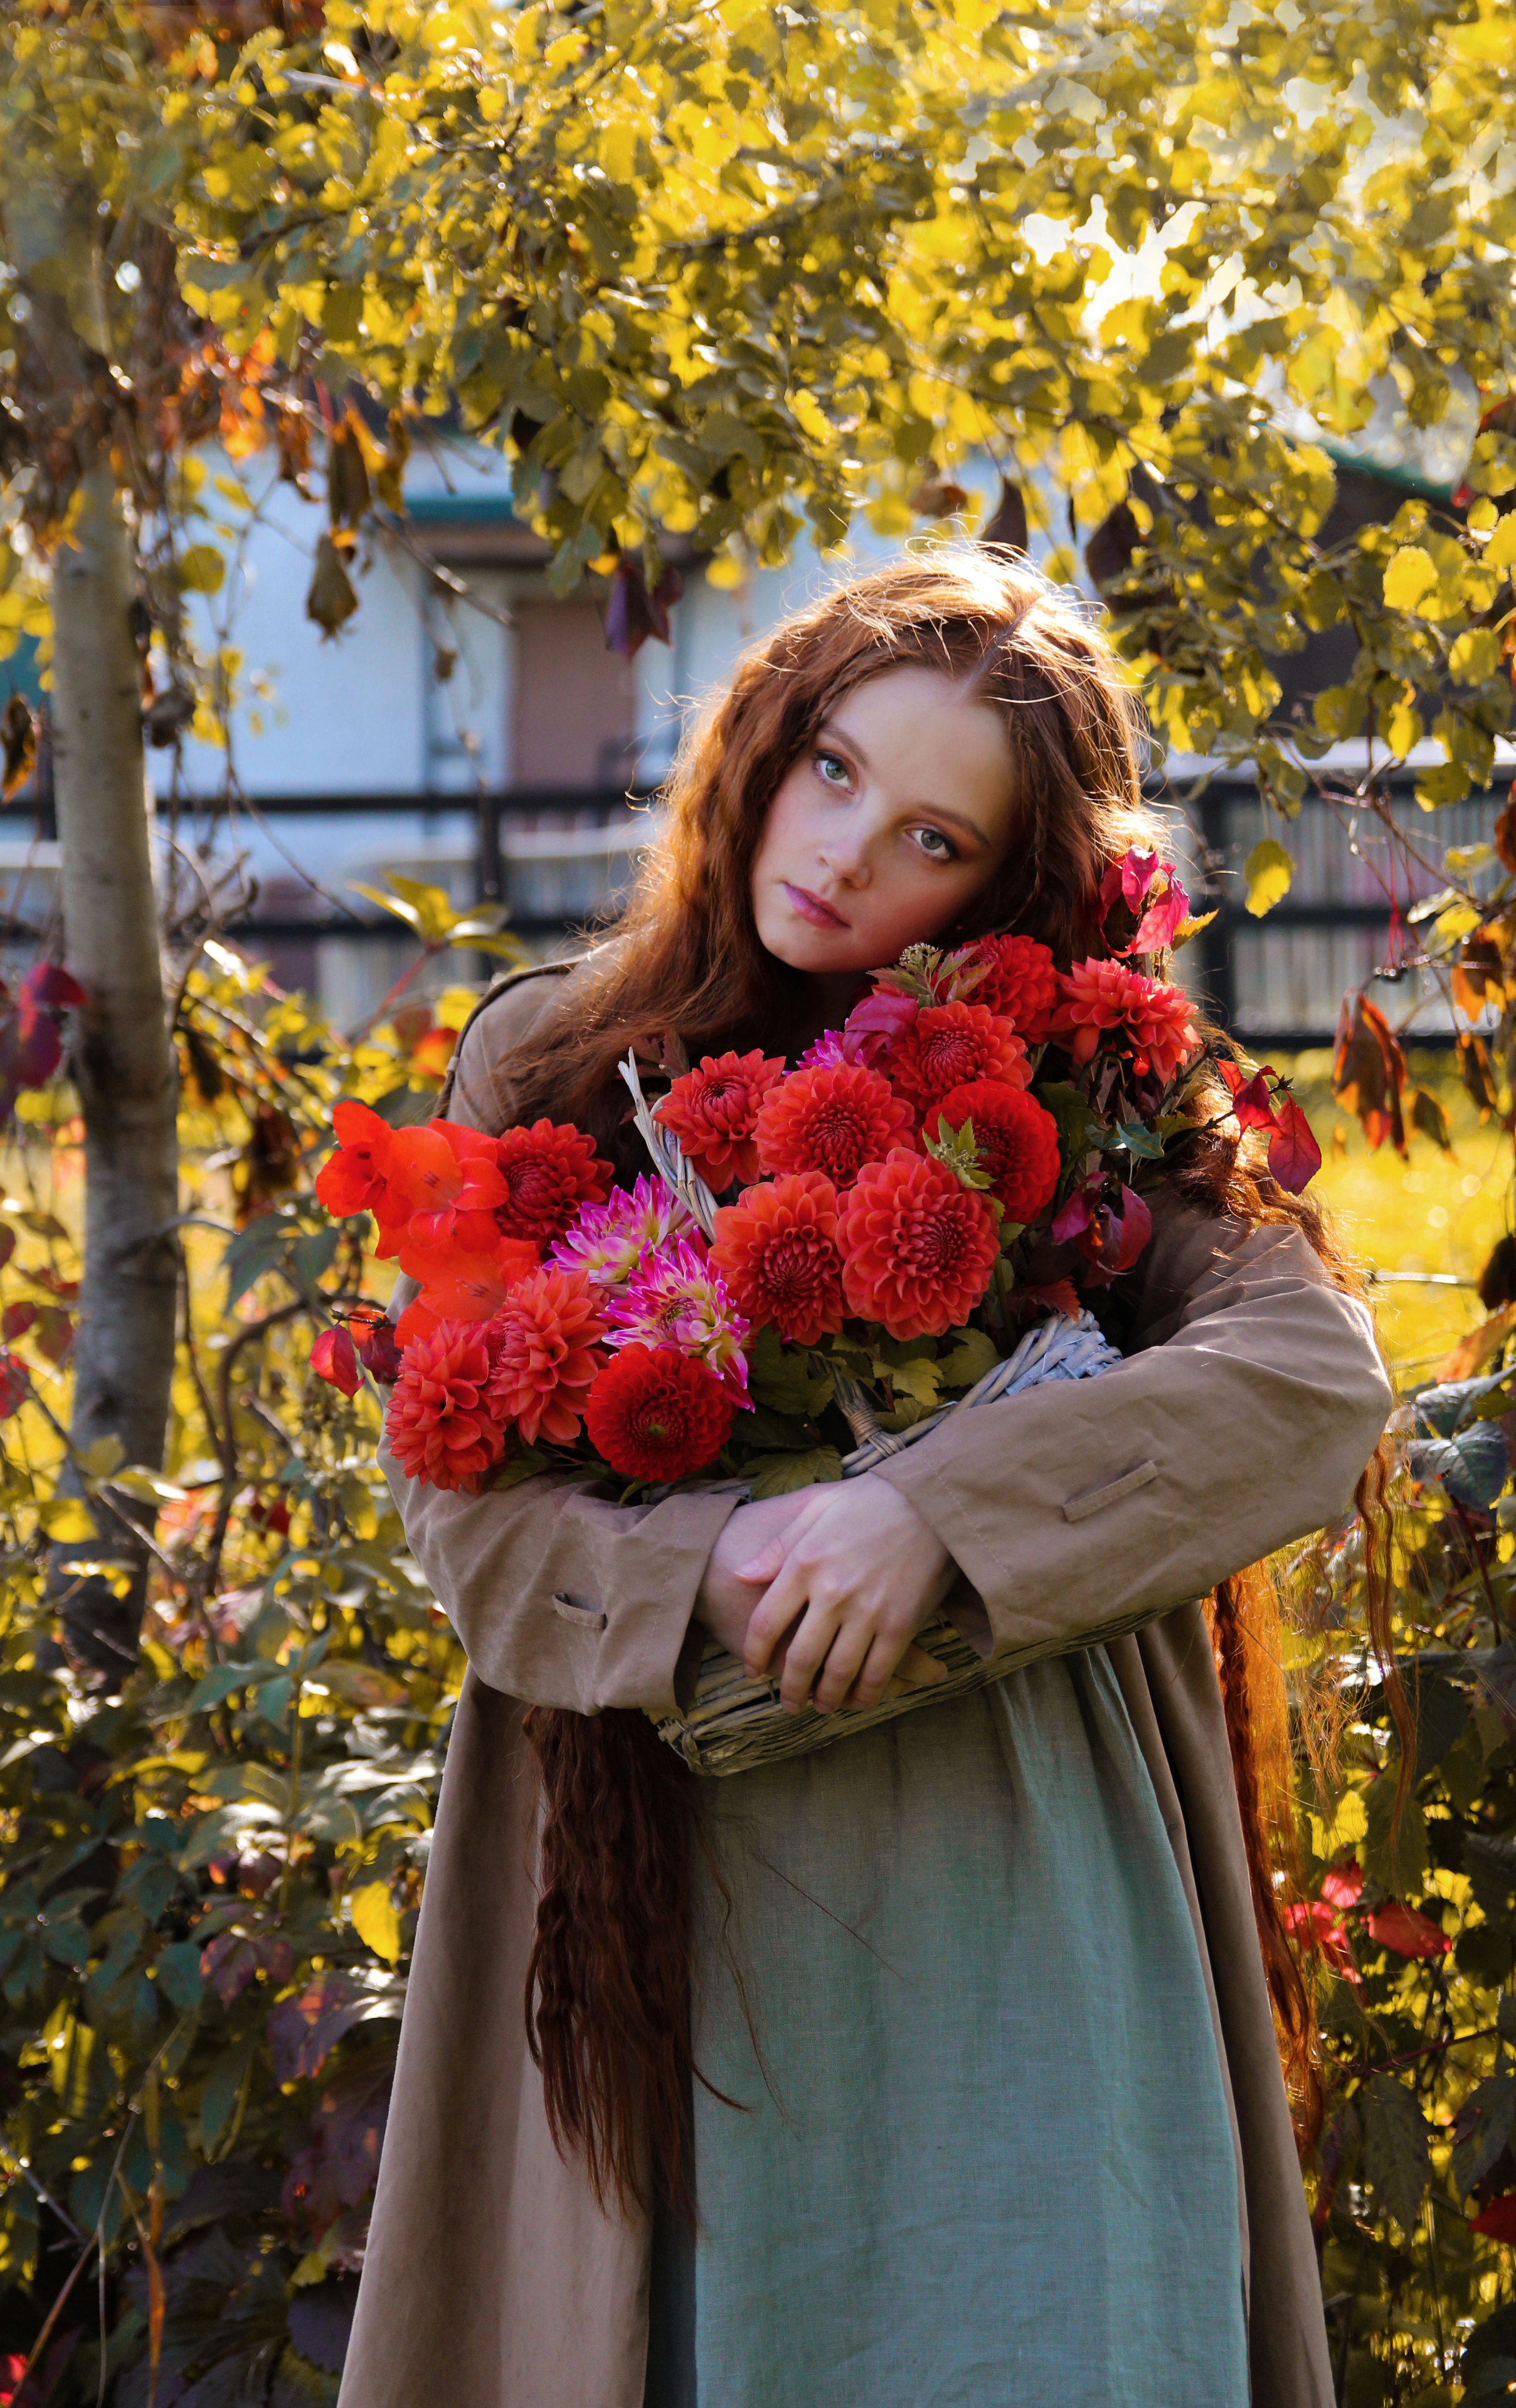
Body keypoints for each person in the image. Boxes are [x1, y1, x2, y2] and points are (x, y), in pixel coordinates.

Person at [336, 552, 1392, 2408]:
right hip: (660, 1906)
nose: (843, 855)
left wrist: (935, 1516)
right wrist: (707, 1568)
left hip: (1023, 1893)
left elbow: (1310, 1380)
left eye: (930, 837)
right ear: (759, 741)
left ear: (1008, 884)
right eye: (831, 769)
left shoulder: (1080, 1099)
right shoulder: (550, 1064)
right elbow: (461, 1505)